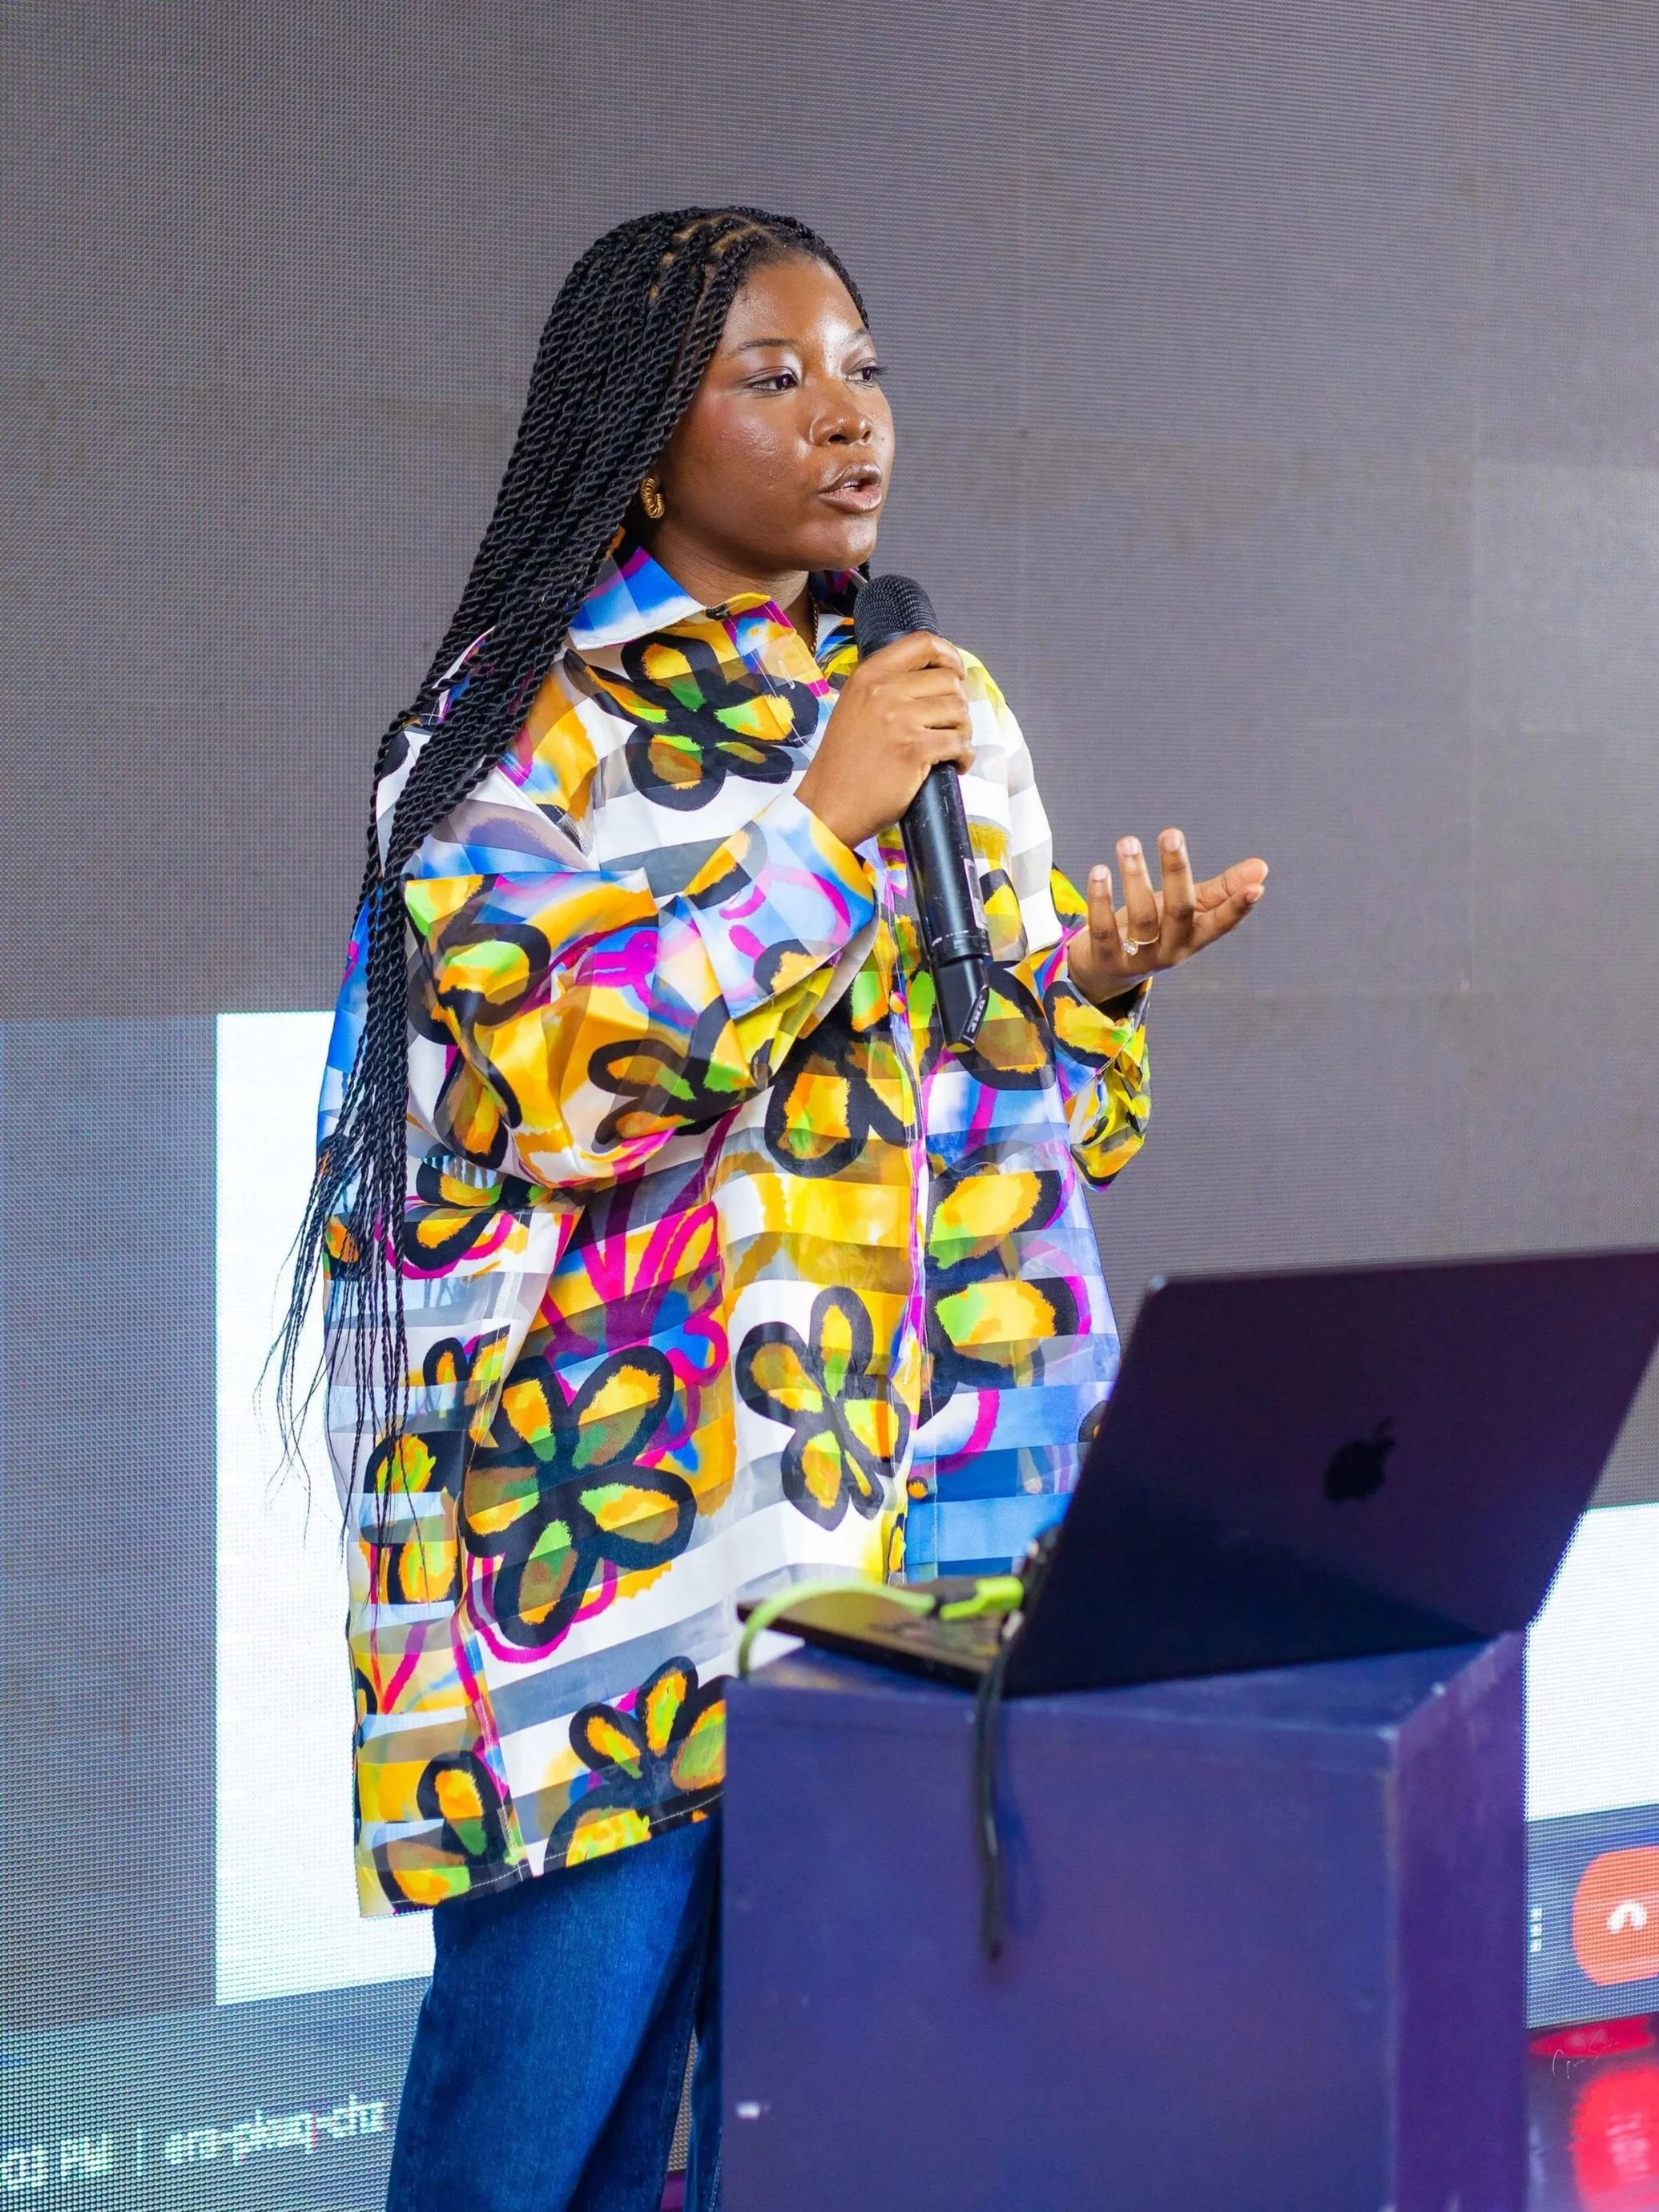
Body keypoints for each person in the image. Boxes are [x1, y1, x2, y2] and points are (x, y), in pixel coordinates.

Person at [280, 205, 1267, 2212]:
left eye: (867, 372)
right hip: (596, 1567)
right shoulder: (502, 734)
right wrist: (813, 823)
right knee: (537, 2136)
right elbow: (565, 1074)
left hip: (875, 1544)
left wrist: (1088, 992)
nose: (850, 421)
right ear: (645, 446)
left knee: (808, 2126)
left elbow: (983, 1114)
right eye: (778, 378)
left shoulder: (937, 708)